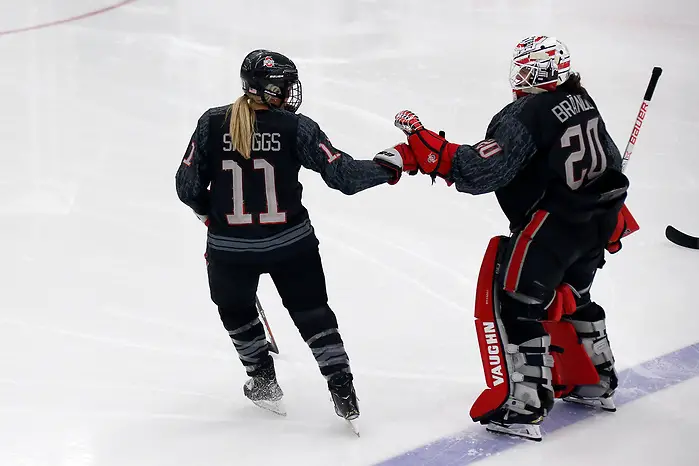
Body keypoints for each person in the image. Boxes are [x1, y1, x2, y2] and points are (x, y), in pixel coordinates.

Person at [389, 35, 636, 441]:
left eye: (526, 69)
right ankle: (597, 379)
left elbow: (481, 172)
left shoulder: (528, 112)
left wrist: (424, 139)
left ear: (543, 71)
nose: (518, 78)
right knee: (576, 297)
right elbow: (608, 159)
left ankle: (524, 405)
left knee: (517, 305)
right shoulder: (582, 98)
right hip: (594, 224)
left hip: (551, 227)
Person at [175, 49, 404, 425]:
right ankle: (341, 387)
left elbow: (187, 186)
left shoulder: (212, 123)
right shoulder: (296, 128)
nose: (290, 92)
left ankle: (263, 381)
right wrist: (386, 169)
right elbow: (342, 176)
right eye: (284, 85)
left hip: (231, 249)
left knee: (236, 311)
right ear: (265, 87)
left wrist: (208, 214)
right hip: (292, 244)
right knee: (312, 312)